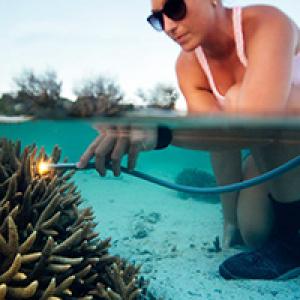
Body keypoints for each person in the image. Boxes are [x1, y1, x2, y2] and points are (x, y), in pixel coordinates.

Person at [78, 0, 300, 280]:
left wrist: (159, 132)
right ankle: (285, 226)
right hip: (269, 158)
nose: (168, 26)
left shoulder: (265, 22)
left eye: (175, 8)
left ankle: (293, 241)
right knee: (253, 235)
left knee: (242, 98)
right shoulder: (189, 66)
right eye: (157, 20)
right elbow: (217, 139)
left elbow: (262, 125)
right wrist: (230, 220)